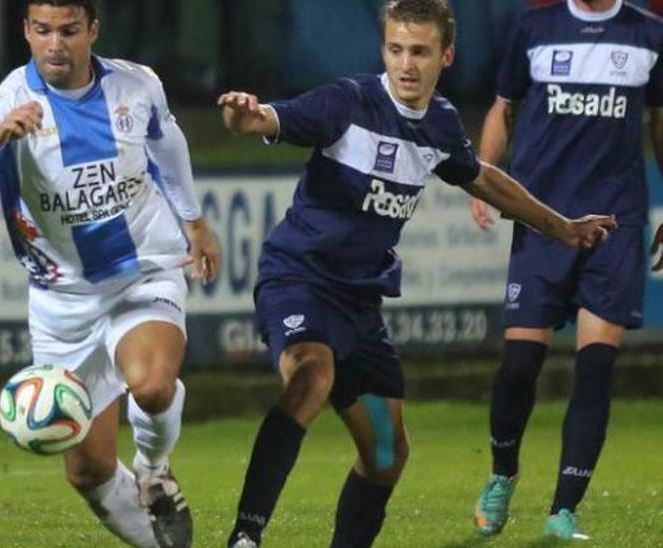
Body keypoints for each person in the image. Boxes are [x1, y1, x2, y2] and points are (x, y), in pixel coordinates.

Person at [215, 1, 618, 546]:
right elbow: (265, 118)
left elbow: (483, 180)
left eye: (420, 51)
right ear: (383, 50)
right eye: (396, 49)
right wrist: (243, 114)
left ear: (445, 55)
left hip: (360, 303)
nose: (406, 64)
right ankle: (246, 536)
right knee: (312, 376)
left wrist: (563, 228)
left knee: (385, 457)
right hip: (300, 279)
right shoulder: (347, 102)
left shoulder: (440, 125)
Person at [0, 1, 223, 546]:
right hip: (62, 300)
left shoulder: (136, 87)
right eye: (42, 31)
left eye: (68, 31)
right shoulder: (9, 102)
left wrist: (195, 222)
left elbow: (168, 143)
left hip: (142, 270)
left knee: (152, 385)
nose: (55, 45)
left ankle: (156, 471)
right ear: (26, 31)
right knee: (88, 471)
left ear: (92, 29)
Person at [466, 0, 663, 540]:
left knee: (596, 370)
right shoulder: (533, 28)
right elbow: (502, 108)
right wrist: (480, 178)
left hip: (614, 224)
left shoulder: (650, 34)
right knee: (519, 365)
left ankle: (563, 510)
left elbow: (660, 121)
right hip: (543, 221)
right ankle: (503, 473)